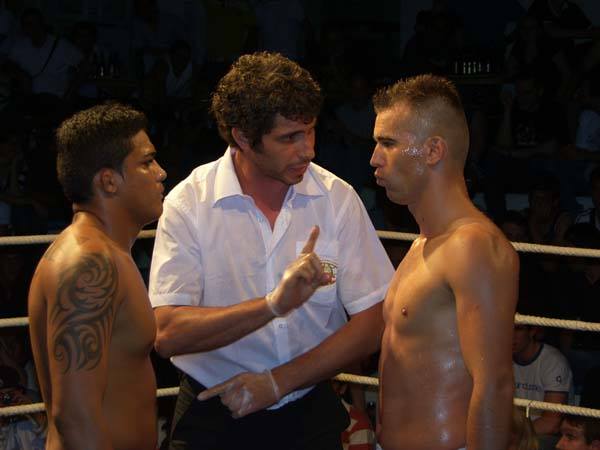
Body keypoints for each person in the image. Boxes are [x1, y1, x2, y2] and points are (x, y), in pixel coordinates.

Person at [148, 51, 394, 450]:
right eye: (289, 138)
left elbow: (374, 319)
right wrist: (272, 306)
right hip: (212, 413)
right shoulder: (189, 204)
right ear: (244, 138)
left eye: (310, 131)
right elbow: (168, 333)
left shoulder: (336, 198)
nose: (307, 150)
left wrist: (279, 382)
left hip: (309, 410)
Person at [371, 74, 519, 450]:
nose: (374, 159)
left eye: (388, 143)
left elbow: (495, 383)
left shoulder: (472, 245)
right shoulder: (422, 245)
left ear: (434, 150)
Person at [27, 102, 167, 450]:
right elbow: (74, 416)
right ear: (109, 181)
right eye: (147, 162)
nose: (161, 173)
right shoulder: (88, 263)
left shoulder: (107, 254)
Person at [513, 323, 573, 447]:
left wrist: (514, 436)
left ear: (532, 331)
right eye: (506, 328)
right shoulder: (499, 357)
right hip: (512, 430)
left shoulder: (553, 361)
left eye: (518, 329)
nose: (511, 335)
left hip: (543, 435)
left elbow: (551, 423)